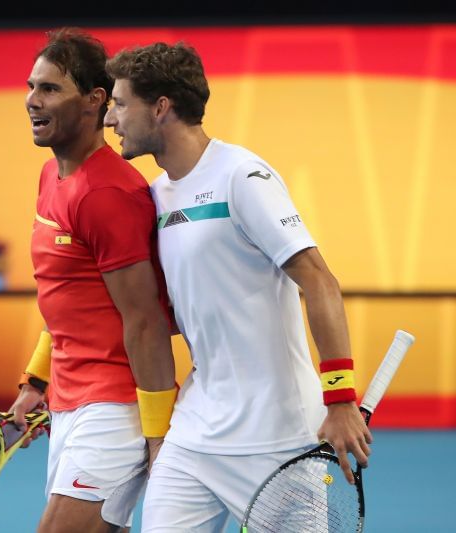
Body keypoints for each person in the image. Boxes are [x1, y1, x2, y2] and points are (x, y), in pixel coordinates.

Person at [104, 42, 373, 532]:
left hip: (279, 439)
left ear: (160, 108)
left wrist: (340, 397)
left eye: (121, 104)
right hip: (195, 432)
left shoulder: (242, 177)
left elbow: (321, 283)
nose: (111, 119)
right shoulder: (156, 195)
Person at [9, 29, 178, 533]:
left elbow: (145, 321)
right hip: (68, 400)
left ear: (95, 100)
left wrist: (156, 436)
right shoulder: (50, 177)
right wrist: (36, 381)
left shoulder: (108, 193)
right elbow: (71, 302)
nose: (31, 101)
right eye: (31, 86)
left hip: (115, 407)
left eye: (50, 89)